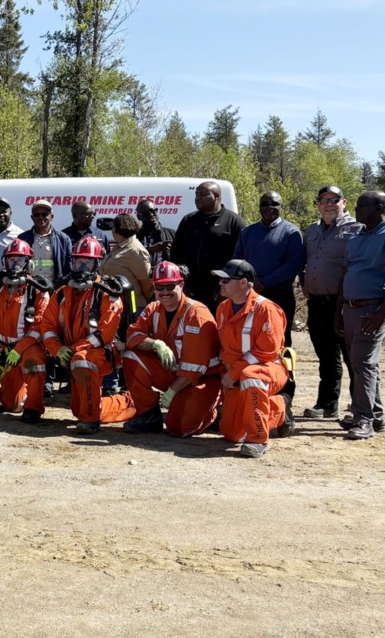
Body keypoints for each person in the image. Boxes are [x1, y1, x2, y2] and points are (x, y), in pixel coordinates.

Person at [40, 237, 139, 434]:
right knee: (78, 408)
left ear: (97, 264)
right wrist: (57, 350)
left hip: (102, 352)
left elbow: (105, 335)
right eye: (78, 261)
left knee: (81, 362)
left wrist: (73, 350)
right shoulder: (61, 293)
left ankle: (90, 420)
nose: (82, 266)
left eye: (88, 262)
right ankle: (128, 403)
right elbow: (47, 326)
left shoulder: (108, 293)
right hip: (71, 352)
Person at [337, 190, 385, 440]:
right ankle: (376, 416)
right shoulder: (357, 236)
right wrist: (339, 312)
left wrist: (380, 315)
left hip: (374, 309)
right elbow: (347, 274)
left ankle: (363, 419)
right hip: (351, 308)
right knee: (361, 363)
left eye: (362, 205)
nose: (356, 210)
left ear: (380, 208)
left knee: (363, 361)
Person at [121, 262, 221, 437]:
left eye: (169, 286)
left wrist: (172, 391)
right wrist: (155, 344)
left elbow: (194, 367)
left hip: (201, 378)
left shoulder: (196, 314)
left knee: (178, 428)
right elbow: (132, 336)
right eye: (159, 287)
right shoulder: (153, 309)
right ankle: (148, 416)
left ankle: (214, 412)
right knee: (131, 357)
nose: (164, 292)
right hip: (173, 372)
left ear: (181, 285)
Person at [214, 259, 294, 458]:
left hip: (267, 369)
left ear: (243, 283)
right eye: (221, 280)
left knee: (252, 375)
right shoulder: (223, 308)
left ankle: (258, 439)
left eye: (226, 280)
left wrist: (234, 372)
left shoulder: (266, 309)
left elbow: (267, 351)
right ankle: (279, 408)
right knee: (232, 434)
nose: (220, 284)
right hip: (236, 374)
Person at [300, 185, 361, 419]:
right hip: (316, 303)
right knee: (326, 356)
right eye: (323, 200)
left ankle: (359, 407)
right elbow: (306, 260)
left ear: (344, 202)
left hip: (343, 304)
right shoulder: (312, 230)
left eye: (333, 200)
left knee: (351, 356)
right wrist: (304, 282)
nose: (328, 204)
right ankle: (327, 404)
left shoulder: (356, 229)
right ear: (317, 205)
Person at [0, 239, 50, 420]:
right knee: (12, 405)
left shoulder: (37, 290)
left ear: (29, 263)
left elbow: (39, 327)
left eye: (20, 260)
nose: (15, 264)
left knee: (35, 359)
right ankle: (13, 393)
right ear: (5, 262)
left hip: (27, 348)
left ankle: (34, 408)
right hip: (3, 350)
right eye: (11, 260)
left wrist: (19, 349)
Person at [233, 191, 304, 347]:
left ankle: (284, 372)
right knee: (250, 338)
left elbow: (293, 265)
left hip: (280, 296)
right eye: (264, 203)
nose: (269, 207)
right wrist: (251, 283)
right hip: (250, 295)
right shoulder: (247, 232)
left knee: (280, 340)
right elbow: (237, 261)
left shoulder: (291, 233)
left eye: (274, 204)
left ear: (281, 207)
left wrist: (264, 283)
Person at [170, 180, 245, 308]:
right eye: (196, 194)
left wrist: (226, 285)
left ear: (217, 196)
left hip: (220, 291)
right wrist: (181, 282)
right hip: (190, 289)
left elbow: (241, 258)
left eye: (203, 195)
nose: (197, 198)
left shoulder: (234, 221)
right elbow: (176, 253)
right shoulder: (188, 220)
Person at [99, 213, 153, 314]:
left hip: (131, 308)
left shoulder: (135, 250)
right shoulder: (120, 246)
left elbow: (147, 285)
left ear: (115, 230)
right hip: (114, 304)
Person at [16, 200, 72, 285]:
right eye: (36, 215)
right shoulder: (22, 238)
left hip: (54, 289)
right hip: (28, 288)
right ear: (32, 218)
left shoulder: (63, 239)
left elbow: (69, 268)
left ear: (51, 217)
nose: (40, 217)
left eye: (45, 214)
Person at [135, 199, 174, 267]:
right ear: (139, 217)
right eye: (146, 213)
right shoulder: (135, 237)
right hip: (144, 275)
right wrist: (150, 250)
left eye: (153, 211)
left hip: (169, 275)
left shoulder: (172, 233)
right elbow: (130, 257)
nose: (151, 215)